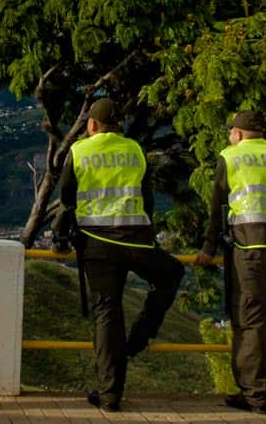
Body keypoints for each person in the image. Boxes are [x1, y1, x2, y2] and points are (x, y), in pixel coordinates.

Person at [51, 98, 184, 413]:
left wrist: (59, 239)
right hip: (137, 241)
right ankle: (139, 337)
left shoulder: (80, 151)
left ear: (92, 125)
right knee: (171, 274)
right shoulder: (135, 150)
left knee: (107, 313)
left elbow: (67, 201)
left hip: (97, 244)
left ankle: (110, 395)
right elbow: (147, 199)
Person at [193, 110, 266, 414]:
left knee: (251, 319)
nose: (229, 137)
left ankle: (255, 394)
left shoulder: (231, 157)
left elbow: (217, 206)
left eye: (231, 132)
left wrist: (208, 247)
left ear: (238, 133)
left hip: (249, 245)